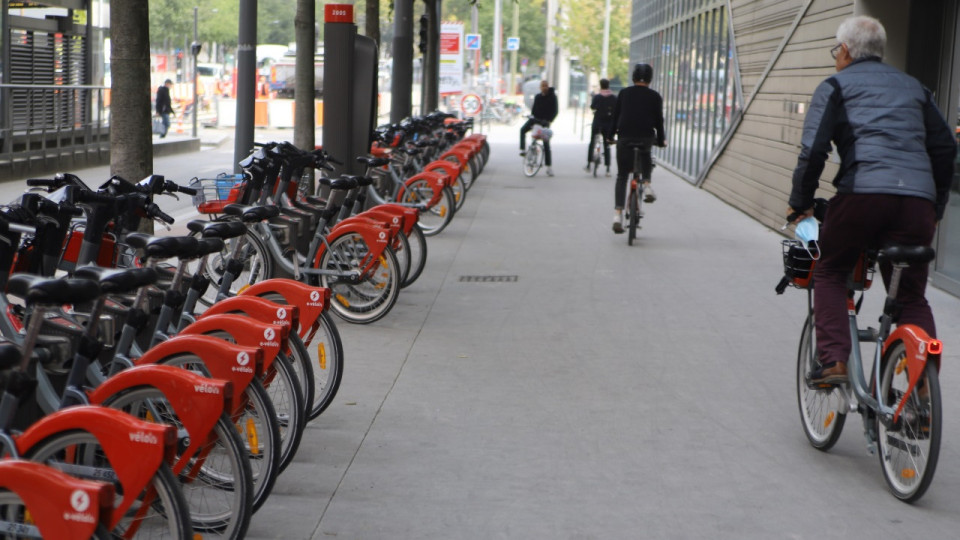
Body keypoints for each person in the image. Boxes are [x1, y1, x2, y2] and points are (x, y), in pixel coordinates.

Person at [787, 16, 956, 385]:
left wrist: (799, 202)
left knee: (830, 271)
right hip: (916, 205)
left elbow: (812, 152)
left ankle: (833, 361)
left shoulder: (834, 85)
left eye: (837, 51)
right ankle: (920, 389)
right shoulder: (915, 88)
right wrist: (936, 206)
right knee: (911, 296)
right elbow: (945, 149)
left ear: (845, 51)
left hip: (863, 195)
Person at [608, 63, 666, 234]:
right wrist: (661, 140)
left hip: (625, 138)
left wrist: (610, 136)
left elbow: (616, 117)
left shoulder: (624, 93)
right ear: (650, 79)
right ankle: (647, 184)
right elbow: (659, 122)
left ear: (633, 77)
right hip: (645, 136)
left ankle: (617, 215)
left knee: (621, 176)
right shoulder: (655, 96)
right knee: (646, 151)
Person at [519, 80, 559, 176]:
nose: (544, 88)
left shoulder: (553, 97)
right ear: (540, 88)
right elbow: (534, 110)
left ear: (548, 87)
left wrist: (549, 120)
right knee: (522, 130)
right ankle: (523, 150)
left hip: (545, 122)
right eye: (542, 86)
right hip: (535, 120)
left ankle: (549, 167)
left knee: (546, 145)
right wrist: (531, 117)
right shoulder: (538, 97)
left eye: (546, 86)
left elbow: (555, 111)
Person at [585, 78, 617, 176]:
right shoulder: (613, 98)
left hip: (597, 122)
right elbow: (616, 109)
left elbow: (592, 107)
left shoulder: (597, 97)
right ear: (608, 85)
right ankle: (607, 168)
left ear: (600, 85)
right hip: (608, 124)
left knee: (592, 141)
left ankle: (589, 164)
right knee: (607, 144)